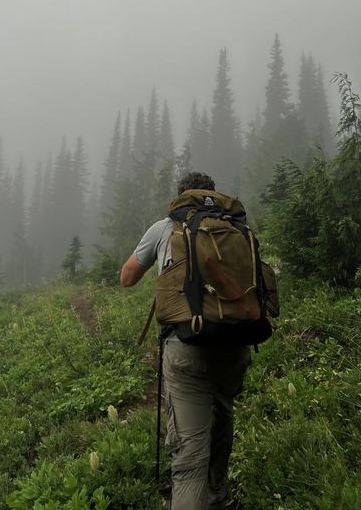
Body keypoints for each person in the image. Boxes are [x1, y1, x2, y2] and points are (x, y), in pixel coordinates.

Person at [120, 172, 251, 510]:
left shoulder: (165, 227)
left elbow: (127, 277)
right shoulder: (235, 227)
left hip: (186, 347)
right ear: (212, 194)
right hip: (236, 342)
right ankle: (218, 498)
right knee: (222, 418)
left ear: (180, 197)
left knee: (190, 454)